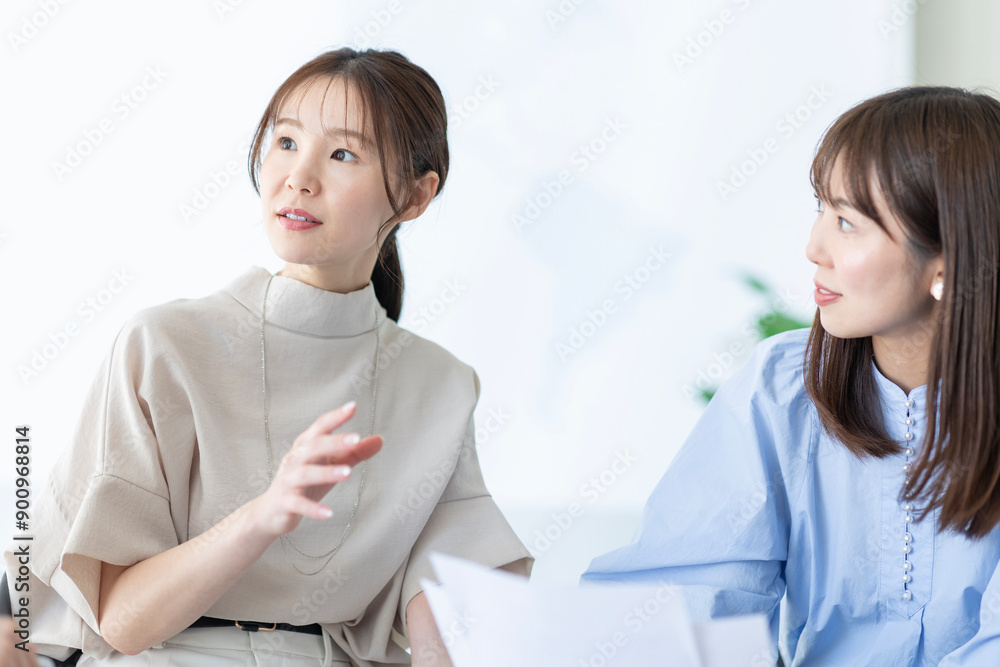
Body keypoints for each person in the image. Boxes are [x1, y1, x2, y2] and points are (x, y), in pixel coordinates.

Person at [3, 48, 532, 666]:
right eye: (285, 142)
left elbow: (444, 608)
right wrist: (265, 514)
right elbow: (121, 621)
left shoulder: (442, 386)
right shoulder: (164, 344)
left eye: (342, 154)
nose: (298, 177)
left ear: (415, 197)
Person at [582, 86, 1000, 666]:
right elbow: (684, 600)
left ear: (947, 263)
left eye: (847, 222)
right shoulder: (780, 387)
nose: (813, 247)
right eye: (820, 209)